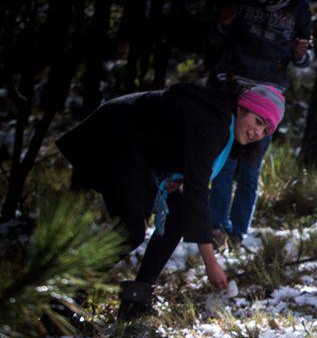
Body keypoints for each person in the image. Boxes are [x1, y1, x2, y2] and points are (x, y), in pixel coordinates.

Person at [56, 82, 285, 320]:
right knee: (130, 230)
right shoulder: (214, 121)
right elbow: (197, 192)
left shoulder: (225, 129)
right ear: (241, 109)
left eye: (266, 130)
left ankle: (137, 298)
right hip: (111, 138)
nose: (258, 133)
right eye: (258, 121)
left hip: (135, 151)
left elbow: (177, 155)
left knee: (178, 216)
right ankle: (65, 296)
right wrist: (210, 262)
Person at [207, 0, 314, 251]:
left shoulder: (300, 8)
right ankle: (217, 227)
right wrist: (221, 25)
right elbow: (215, 38)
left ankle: (239, 231)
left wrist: (301, 52)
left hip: (267, 96)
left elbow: (303, 58)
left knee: (251, 168)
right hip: (232, 86)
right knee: (225, 161)